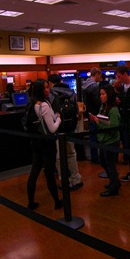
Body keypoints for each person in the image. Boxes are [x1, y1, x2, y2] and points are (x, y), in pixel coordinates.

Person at [26, 79, 63, 210]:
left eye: (48, 87)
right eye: (45, 88)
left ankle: (31, 202)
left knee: (34, 172)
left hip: (36, 142)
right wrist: (58, 119)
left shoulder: (31, 104)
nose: (48, 90)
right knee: (49, 173)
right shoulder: (44, 105)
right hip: (47, 144)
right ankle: (57, 202)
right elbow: (52, 128)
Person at [47, 74, 83, 191]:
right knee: (71, 153)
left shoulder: (51, 94)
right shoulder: (71, 92)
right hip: (70, 129)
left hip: (59, 129)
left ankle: (64, 180)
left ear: (50, 83)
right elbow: (77, 112)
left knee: (59, 156)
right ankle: (76, 178)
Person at [89, 84, 122, 196]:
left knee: (110, 164)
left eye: (103, 94)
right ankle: (114, 181)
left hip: (111, 141)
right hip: (103, 140)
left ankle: (114, 187)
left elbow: (113, 128)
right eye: (100, 94)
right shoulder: (103, 107)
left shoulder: (113, 110)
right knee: (104, 162)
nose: (101, 96)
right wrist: (96, 120)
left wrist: (98, 123)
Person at [81, 67, 102, 164]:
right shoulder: (94, 87)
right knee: (98, 136)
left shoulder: (84, 85)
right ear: (97, 74)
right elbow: (97, 102)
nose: (100, 78)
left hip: (89, 113)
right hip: (96, 114)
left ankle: (94, 156)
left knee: (92, 136)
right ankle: (98, 157)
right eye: (100, 75)